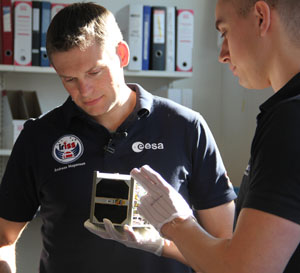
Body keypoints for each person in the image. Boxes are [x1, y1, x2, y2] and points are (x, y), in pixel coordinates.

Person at [0, 2, 237, 273]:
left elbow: (226, 249)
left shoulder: (186, 127)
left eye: (94, 72)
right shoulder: (38, 137)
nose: (84, 90)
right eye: (69, 79)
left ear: (122, 54)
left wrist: (165, 243)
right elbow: (3, 237)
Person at [94, 0, 300, 272]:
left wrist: (177, 224)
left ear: (261, 18)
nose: (222, 54)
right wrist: (164, 243)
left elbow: (244, 269)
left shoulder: (289, 118)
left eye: (224, 32)